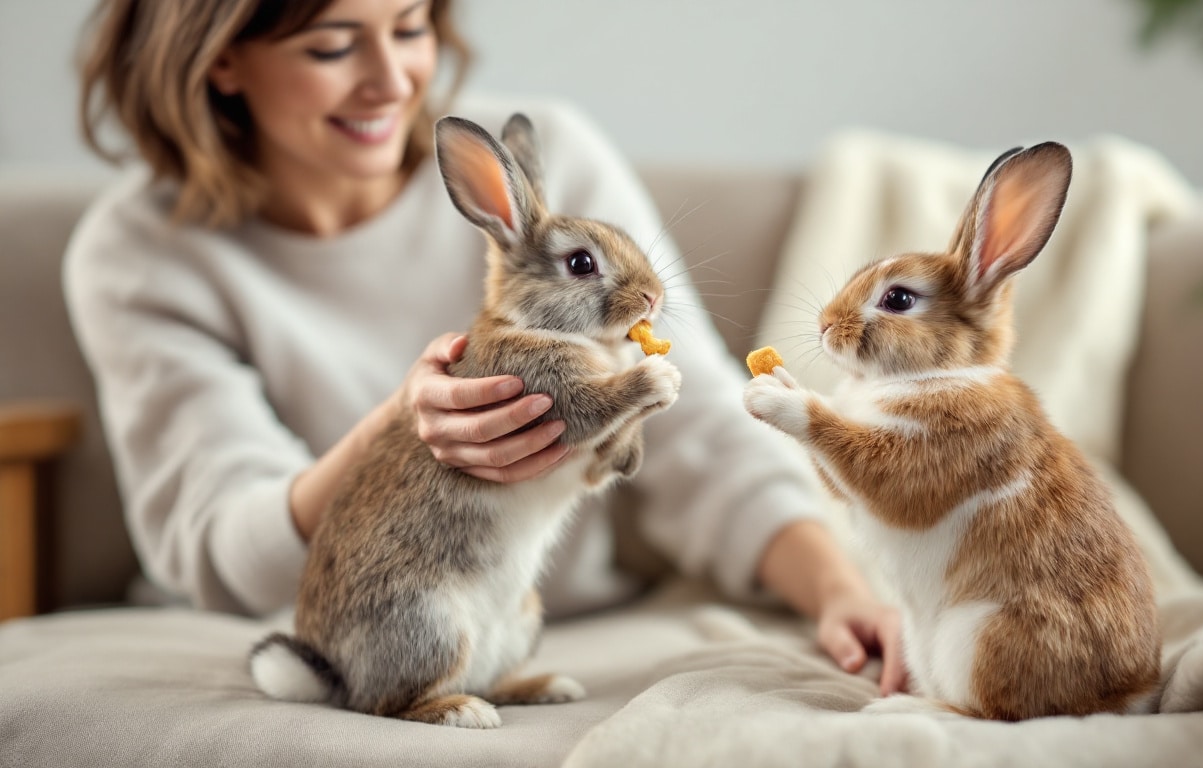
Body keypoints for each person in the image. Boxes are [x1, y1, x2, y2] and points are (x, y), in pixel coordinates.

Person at [69, 0, 907, 696]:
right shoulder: (137, 253)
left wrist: (844, 593)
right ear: (221, 59)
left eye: (409, 27)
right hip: (347, 623)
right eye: (330, 45)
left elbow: (709, 442)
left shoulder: (559, 156)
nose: (393, 81)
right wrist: (404, 423)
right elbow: (228, 553)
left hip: (525, 611)